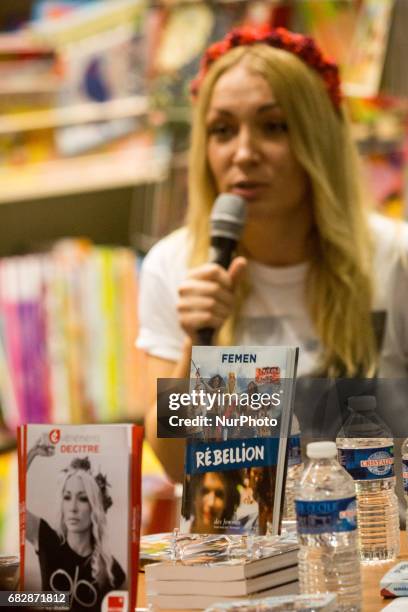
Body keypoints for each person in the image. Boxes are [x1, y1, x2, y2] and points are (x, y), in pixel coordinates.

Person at [137, 24, 408, 483]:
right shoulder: (174, 265)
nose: (243, 153)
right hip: (250, 546)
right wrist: (196, 345)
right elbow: (177, 468)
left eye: (273, 126)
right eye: (222, 130)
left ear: (318, 139)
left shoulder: (395, 255)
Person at [26, 435, 125, 612]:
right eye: (67, 497)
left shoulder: (112, 570)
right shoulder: (47, 538)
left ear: (95, 507)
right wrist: (32, 453)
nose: (73, 508)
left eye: (82, 499)